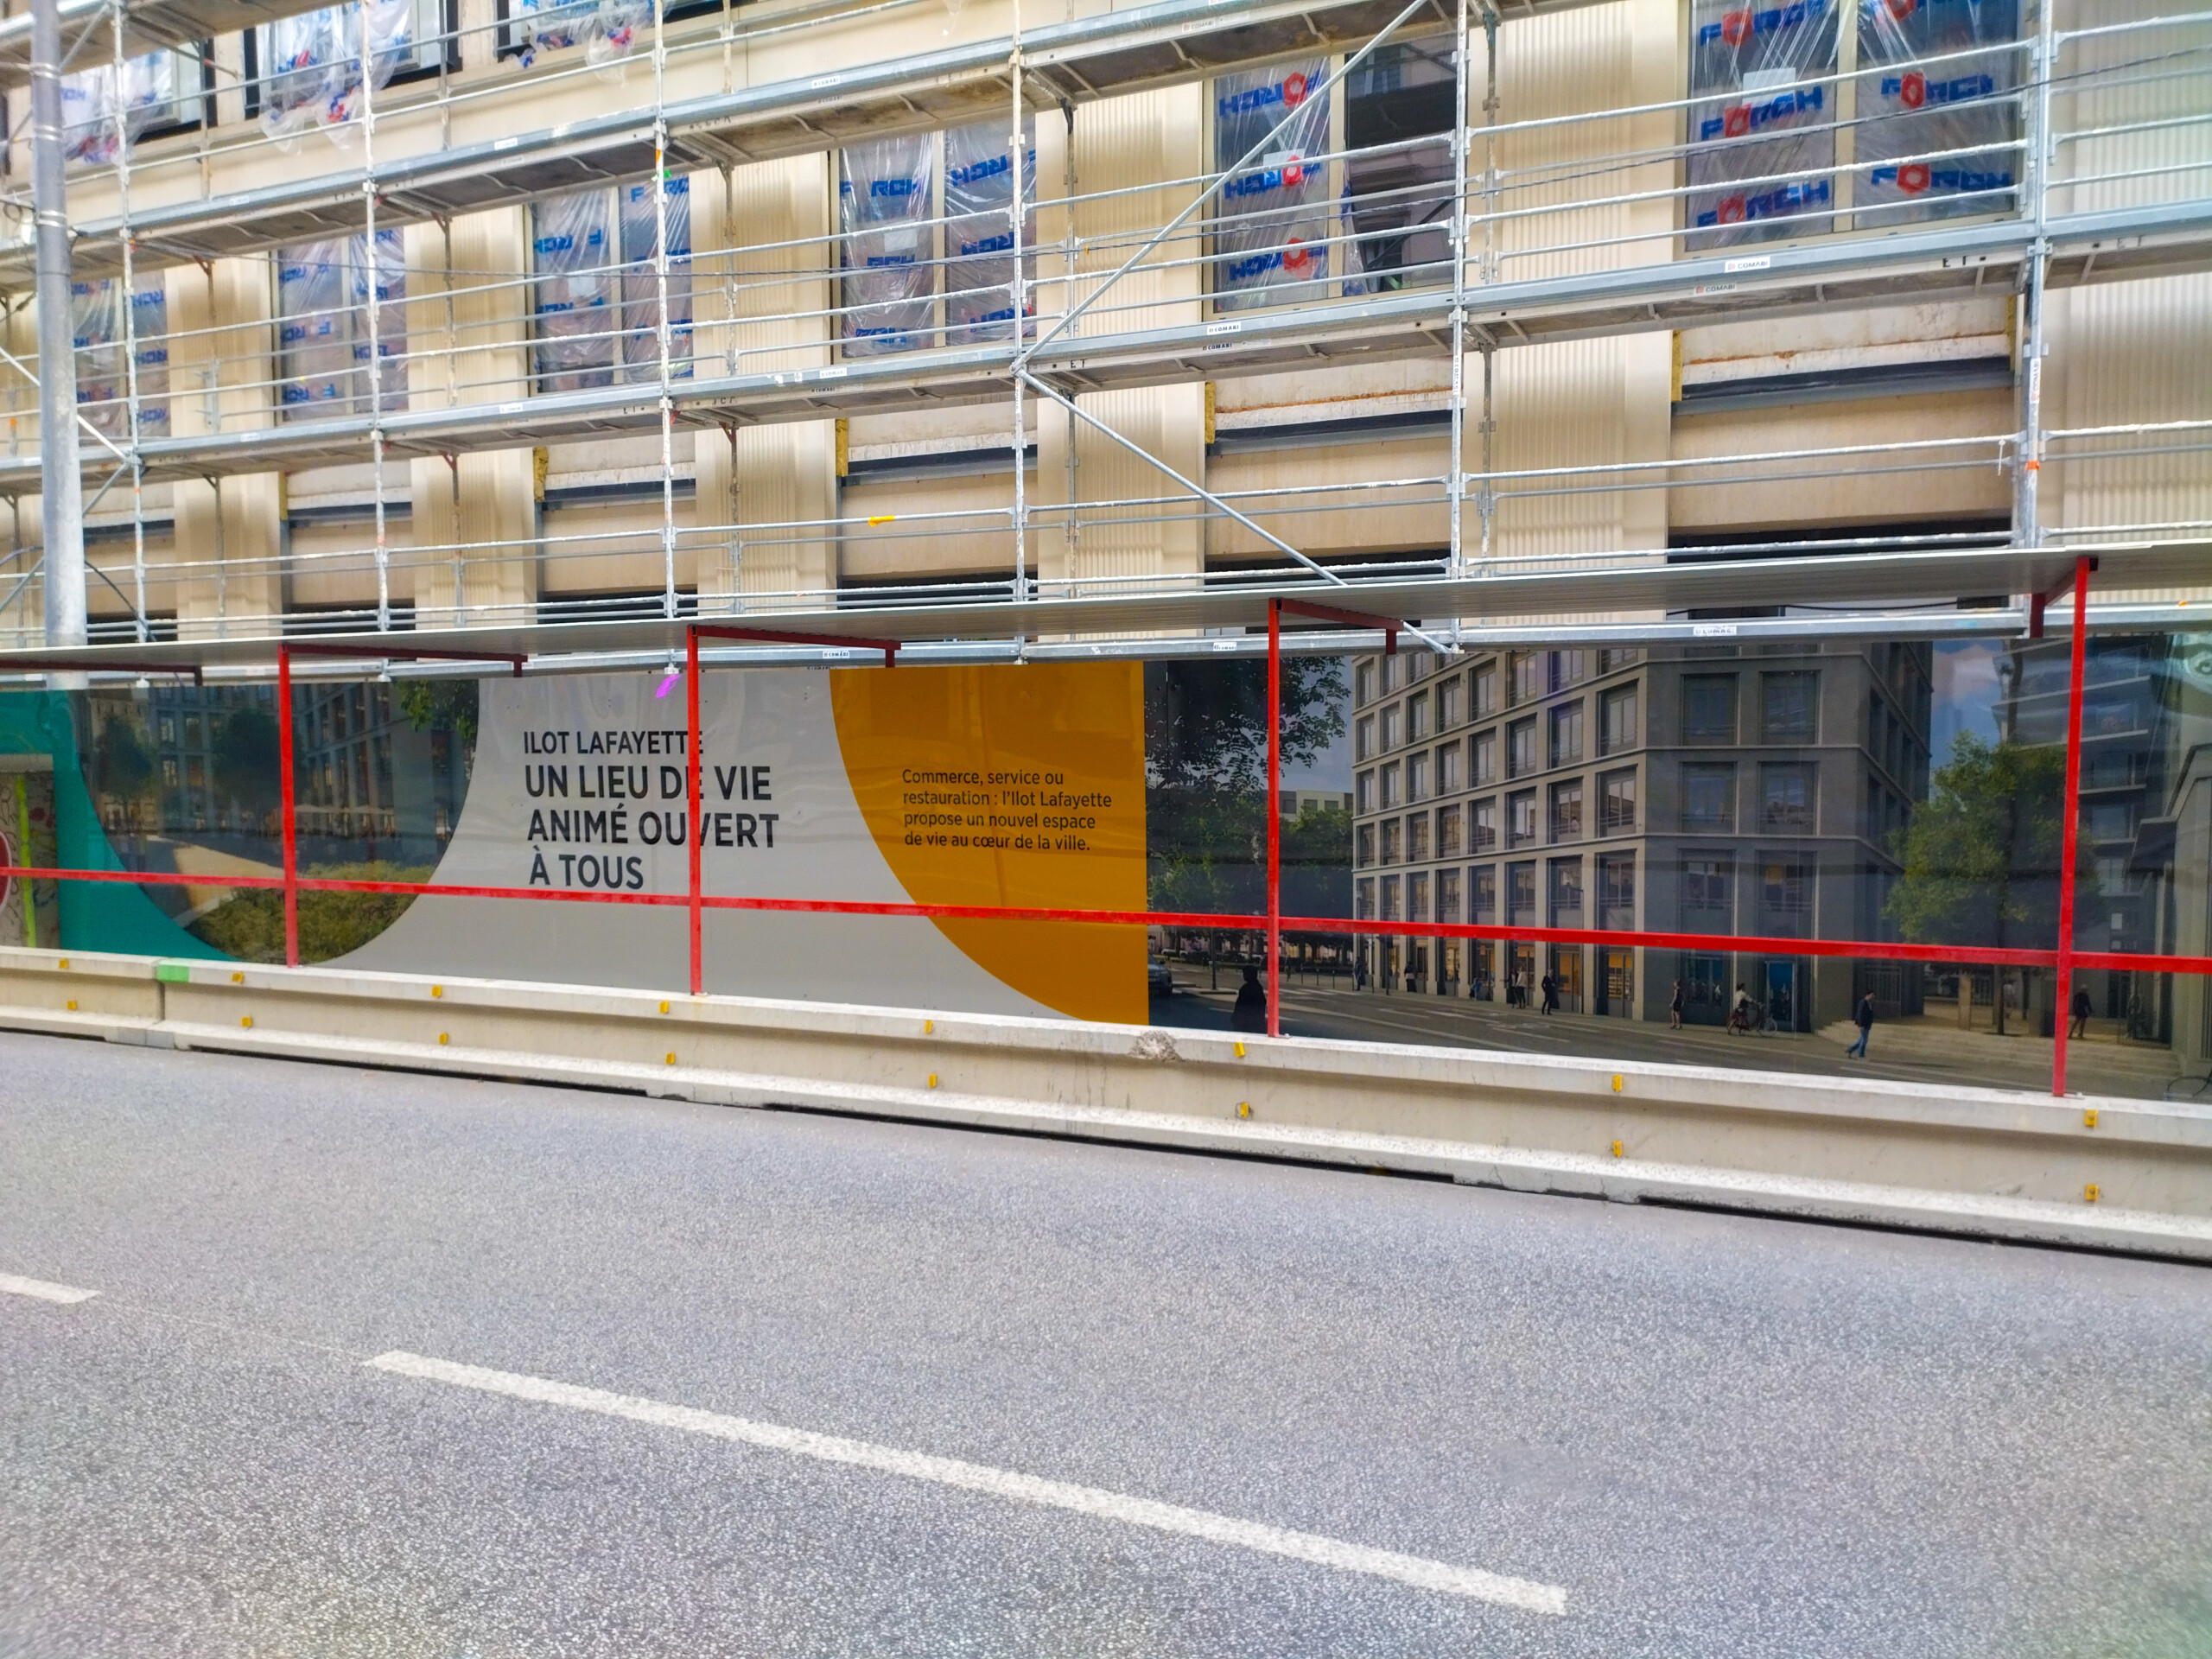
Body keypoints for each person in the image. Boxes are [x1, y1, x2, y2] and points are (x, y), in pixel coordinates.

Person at [1230, 965, 1268, 1033]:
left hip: (1247, 1023)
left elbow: (1240, 1005)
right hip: (1255, 1022)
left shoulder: (1246, 989)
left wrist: (1236, 1017)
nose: (1244, 976)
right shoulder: (1258, 987)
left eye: (1245, 973)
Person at [1847, 991, 1875, 1058]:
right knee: (1864, 1039)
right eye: (1872, 995)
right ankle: (1861, 1054)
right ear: (1868, 995)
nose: (1873, 997)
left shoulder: (1870, 1003)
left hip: (1867, 1024)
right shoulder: (1863, 1003)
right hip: (1863, 1024)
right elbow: (1860, 1014)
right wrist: (1861, 1025)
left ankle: (1850, 1049)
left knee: (1861, 1039)